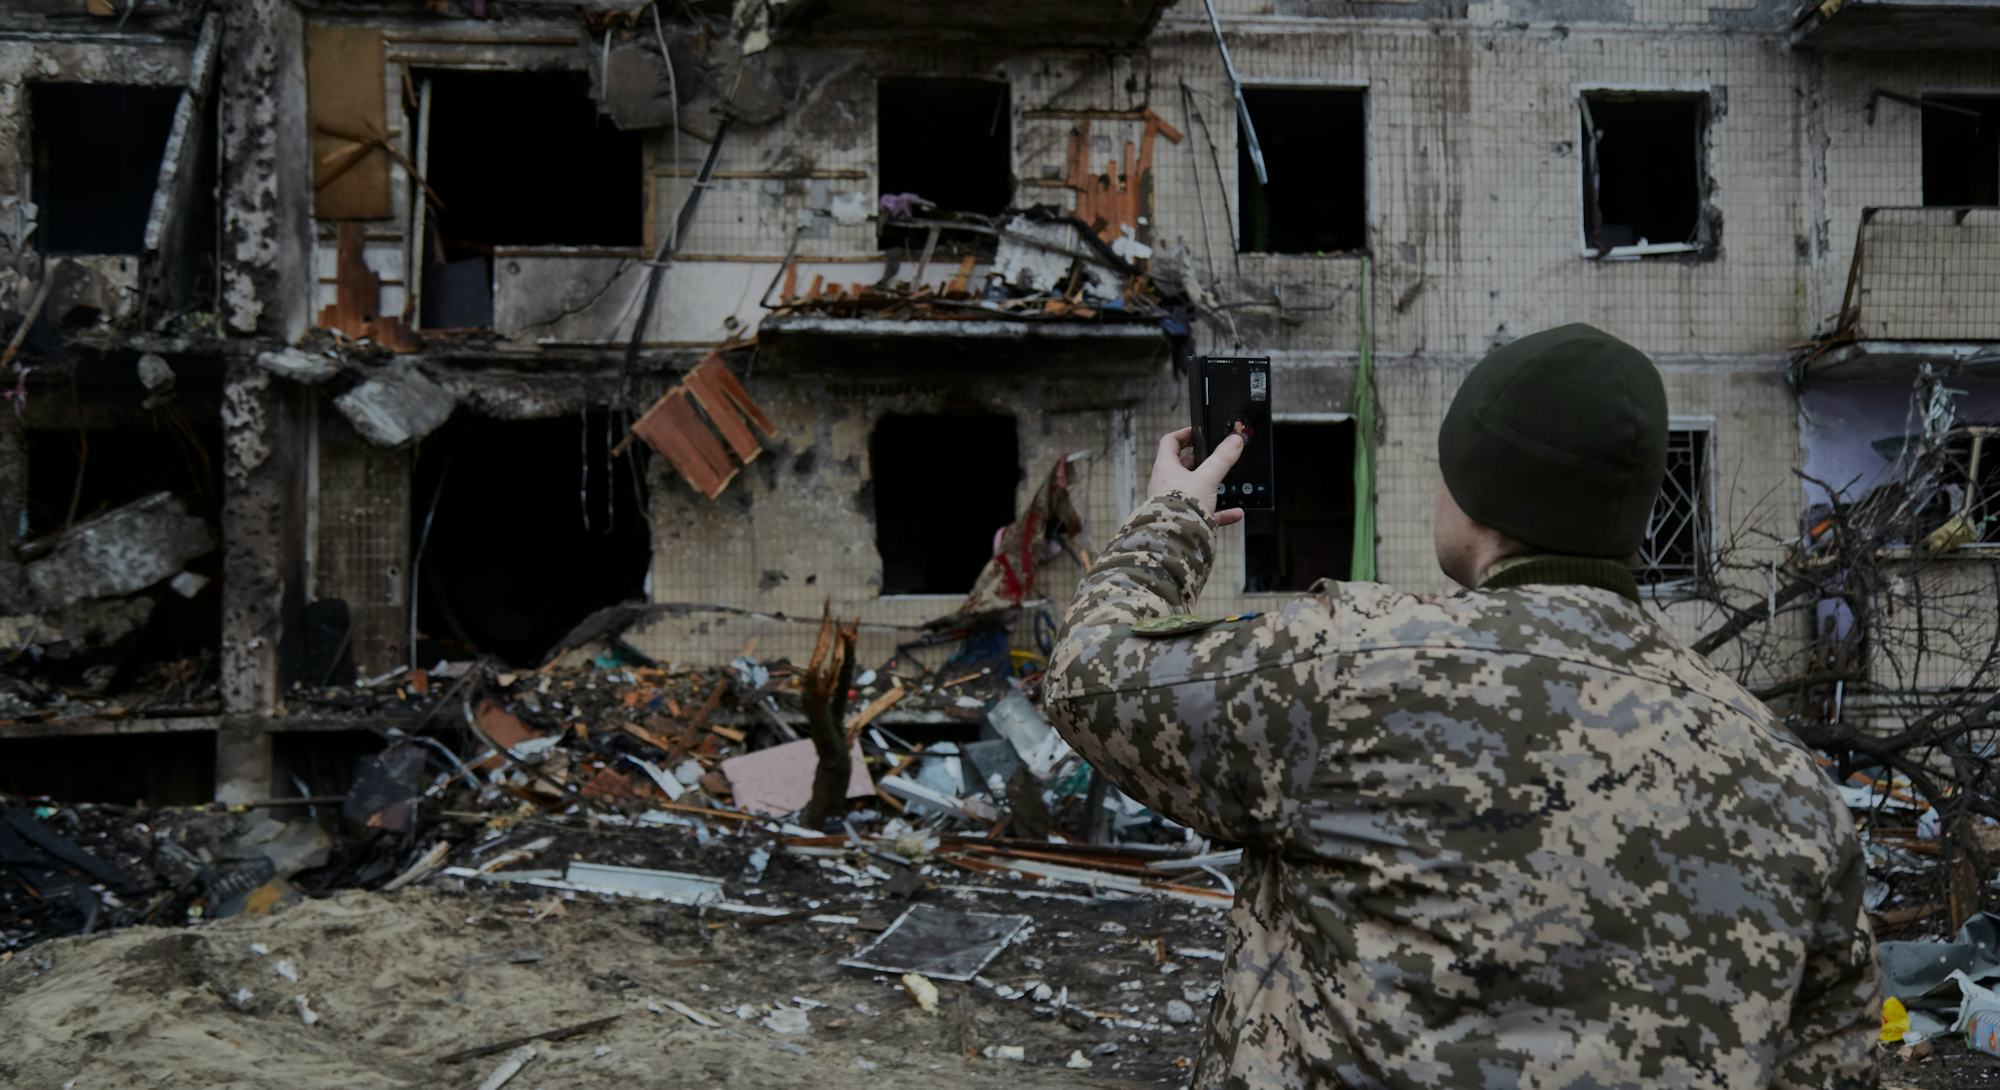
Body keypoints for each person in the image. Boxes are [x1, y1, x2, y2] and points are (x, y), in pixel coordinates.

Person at [1045, 324, 1879, 1089]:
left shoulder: (1352, 668)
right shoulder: (1791, 786)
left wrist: (1172, 521)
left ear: (1471, 494)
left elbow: (1089, 675)